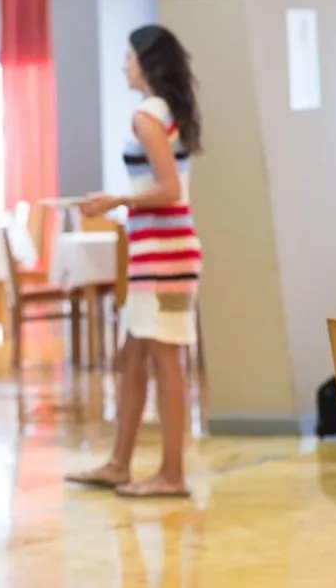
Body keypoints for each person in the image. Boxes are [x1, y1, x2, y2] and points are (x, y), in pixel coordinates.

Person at [67, 24, 203, 499]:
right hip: (162, 253)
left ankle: (172, 474)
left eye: (128, 57)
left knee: (166, 362)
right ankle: (119, 463)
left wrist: (115, 201)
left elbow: (167, 190)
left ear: (147, 62)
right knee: (133, 359)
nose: (124, 64)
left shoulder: (146, 115)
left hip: (163, 255)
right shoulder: (166, 112)